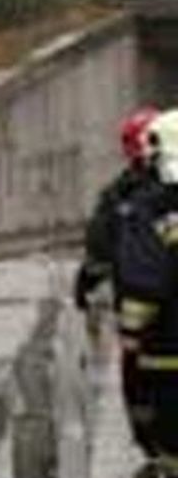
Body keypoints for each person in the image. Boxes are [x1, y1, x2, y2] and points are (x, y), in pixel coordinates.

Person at [74, 107, 161, 459]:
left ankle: (146, 437)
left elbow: (99, 244)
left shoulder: (118, 194)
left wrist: (87, 279)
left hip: (134, 307)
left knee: (137, 367)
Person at [115, 108, 178, 478]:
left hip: (168, 352)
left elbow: (143, 283)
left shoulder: (149, 209)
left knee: (172, 432)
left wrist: (131, 333)